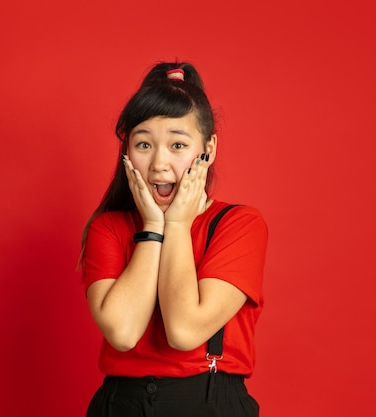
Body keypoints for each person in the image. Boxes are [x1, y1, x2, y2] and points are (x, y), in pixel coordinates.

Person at [80, 61, 268, 417]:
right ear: (127, 152)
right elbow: (122, 333)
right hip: (121, 405)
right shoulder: (108, 228)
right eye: (144, 144)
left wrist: (178, 225)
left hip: (210, 404)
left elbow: (183, 331)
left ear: (208, 149)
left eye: (178, 145)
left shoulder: (239, 224)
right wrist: (154, 226)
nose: (159, 163)